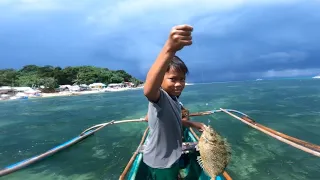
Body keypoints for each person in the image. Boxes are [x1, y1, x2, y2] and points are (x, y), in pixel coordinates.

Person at [143, 24, 205, 180]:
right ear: (160, 80)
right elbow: (149, 90)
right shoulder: (161, 97)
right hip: (162, 161)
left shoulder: (174, 99)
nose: (178, 84)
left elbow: (163, 118)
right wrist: (170, 49)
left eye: (182, 79)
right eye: (172, 79)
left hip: (173, 155)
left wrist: (192, 124)